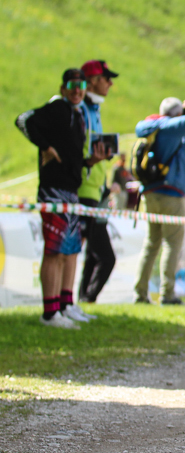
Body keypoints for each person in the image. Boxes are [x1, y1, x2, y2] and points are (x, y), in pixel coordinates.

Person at [14, 69, 100, 327]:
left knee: (70, 250)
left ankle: (65, 305)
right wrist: (45, 147)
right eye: (72, 86)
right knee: (54, 252)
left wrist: (90, 162)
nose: (77, 90)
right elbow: (23, 120)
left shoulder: (78, 114)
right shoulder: (57, 108)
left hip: (72, 192)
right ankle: (50, 312)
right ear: (63, 89)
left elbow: (71, 156)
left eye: (81, 85)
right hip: (53, 192)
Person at [133, 96, 185, 305]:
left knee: (151, 243)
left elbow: (177, 148)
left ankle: (140, 293)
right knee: (172, 243)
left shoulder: (153, 127)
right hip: (170, 194)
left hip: (150, 193)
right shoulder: (171, 126)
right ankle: (167, 294)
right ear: (177, 114)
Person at [77, 59, 118, 304]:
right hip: (83, 190)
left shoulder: (94, 109)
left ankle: (82, 300)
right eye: (106, 78)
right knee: (103, 256)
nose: (110, 84)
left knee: (91, 255)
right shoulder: (80, 108)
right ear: (92, 81)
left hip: (97, 191)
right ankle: (81, 300)